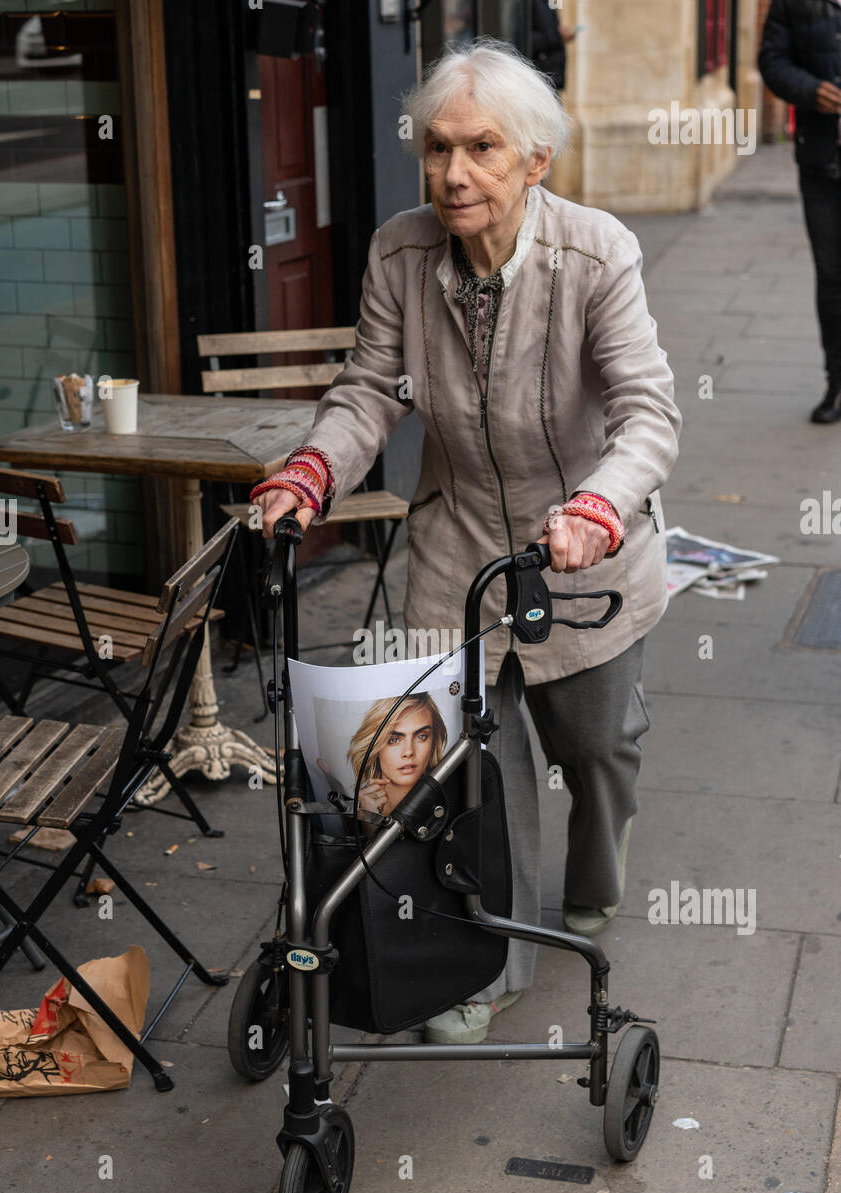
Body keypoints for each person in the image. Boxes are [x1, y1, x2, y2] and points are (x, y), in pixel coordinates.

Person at [251, 38, 681, 1044]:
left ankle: (601, 854)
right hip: (454, 554)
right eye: (439, 148)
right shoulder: (401, 252)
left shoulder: (598, 253)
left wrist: (598, 510)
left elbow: (647, 413)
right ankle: (490, 964)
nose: (454, 173)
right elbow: (367, 390)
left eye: (483, 148)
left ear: (536, 161)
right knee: (479, 771)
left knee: (597, 745)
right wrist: (313, 470)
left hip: (584, 554)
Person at [759, 0, 841, 423]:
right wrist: (809, 90)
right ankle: (836, 383)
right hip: (823, 163)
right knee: (831, 277)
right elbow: (772, 61)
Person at [347, 692, 447, 824]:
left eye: (421, 736)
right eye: (393, 740)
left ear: (434, 741)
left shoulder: (450, 801)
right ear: (375, 748)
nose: (408, 752)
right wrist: (369, 822)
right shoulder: (350, 811)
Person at [530, 0, 577, 92]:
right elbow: (524, 37)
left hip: (552, 78)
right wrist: (558, 37)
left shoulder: (550, 3)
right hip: (539, 77)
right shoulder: (532, 3)